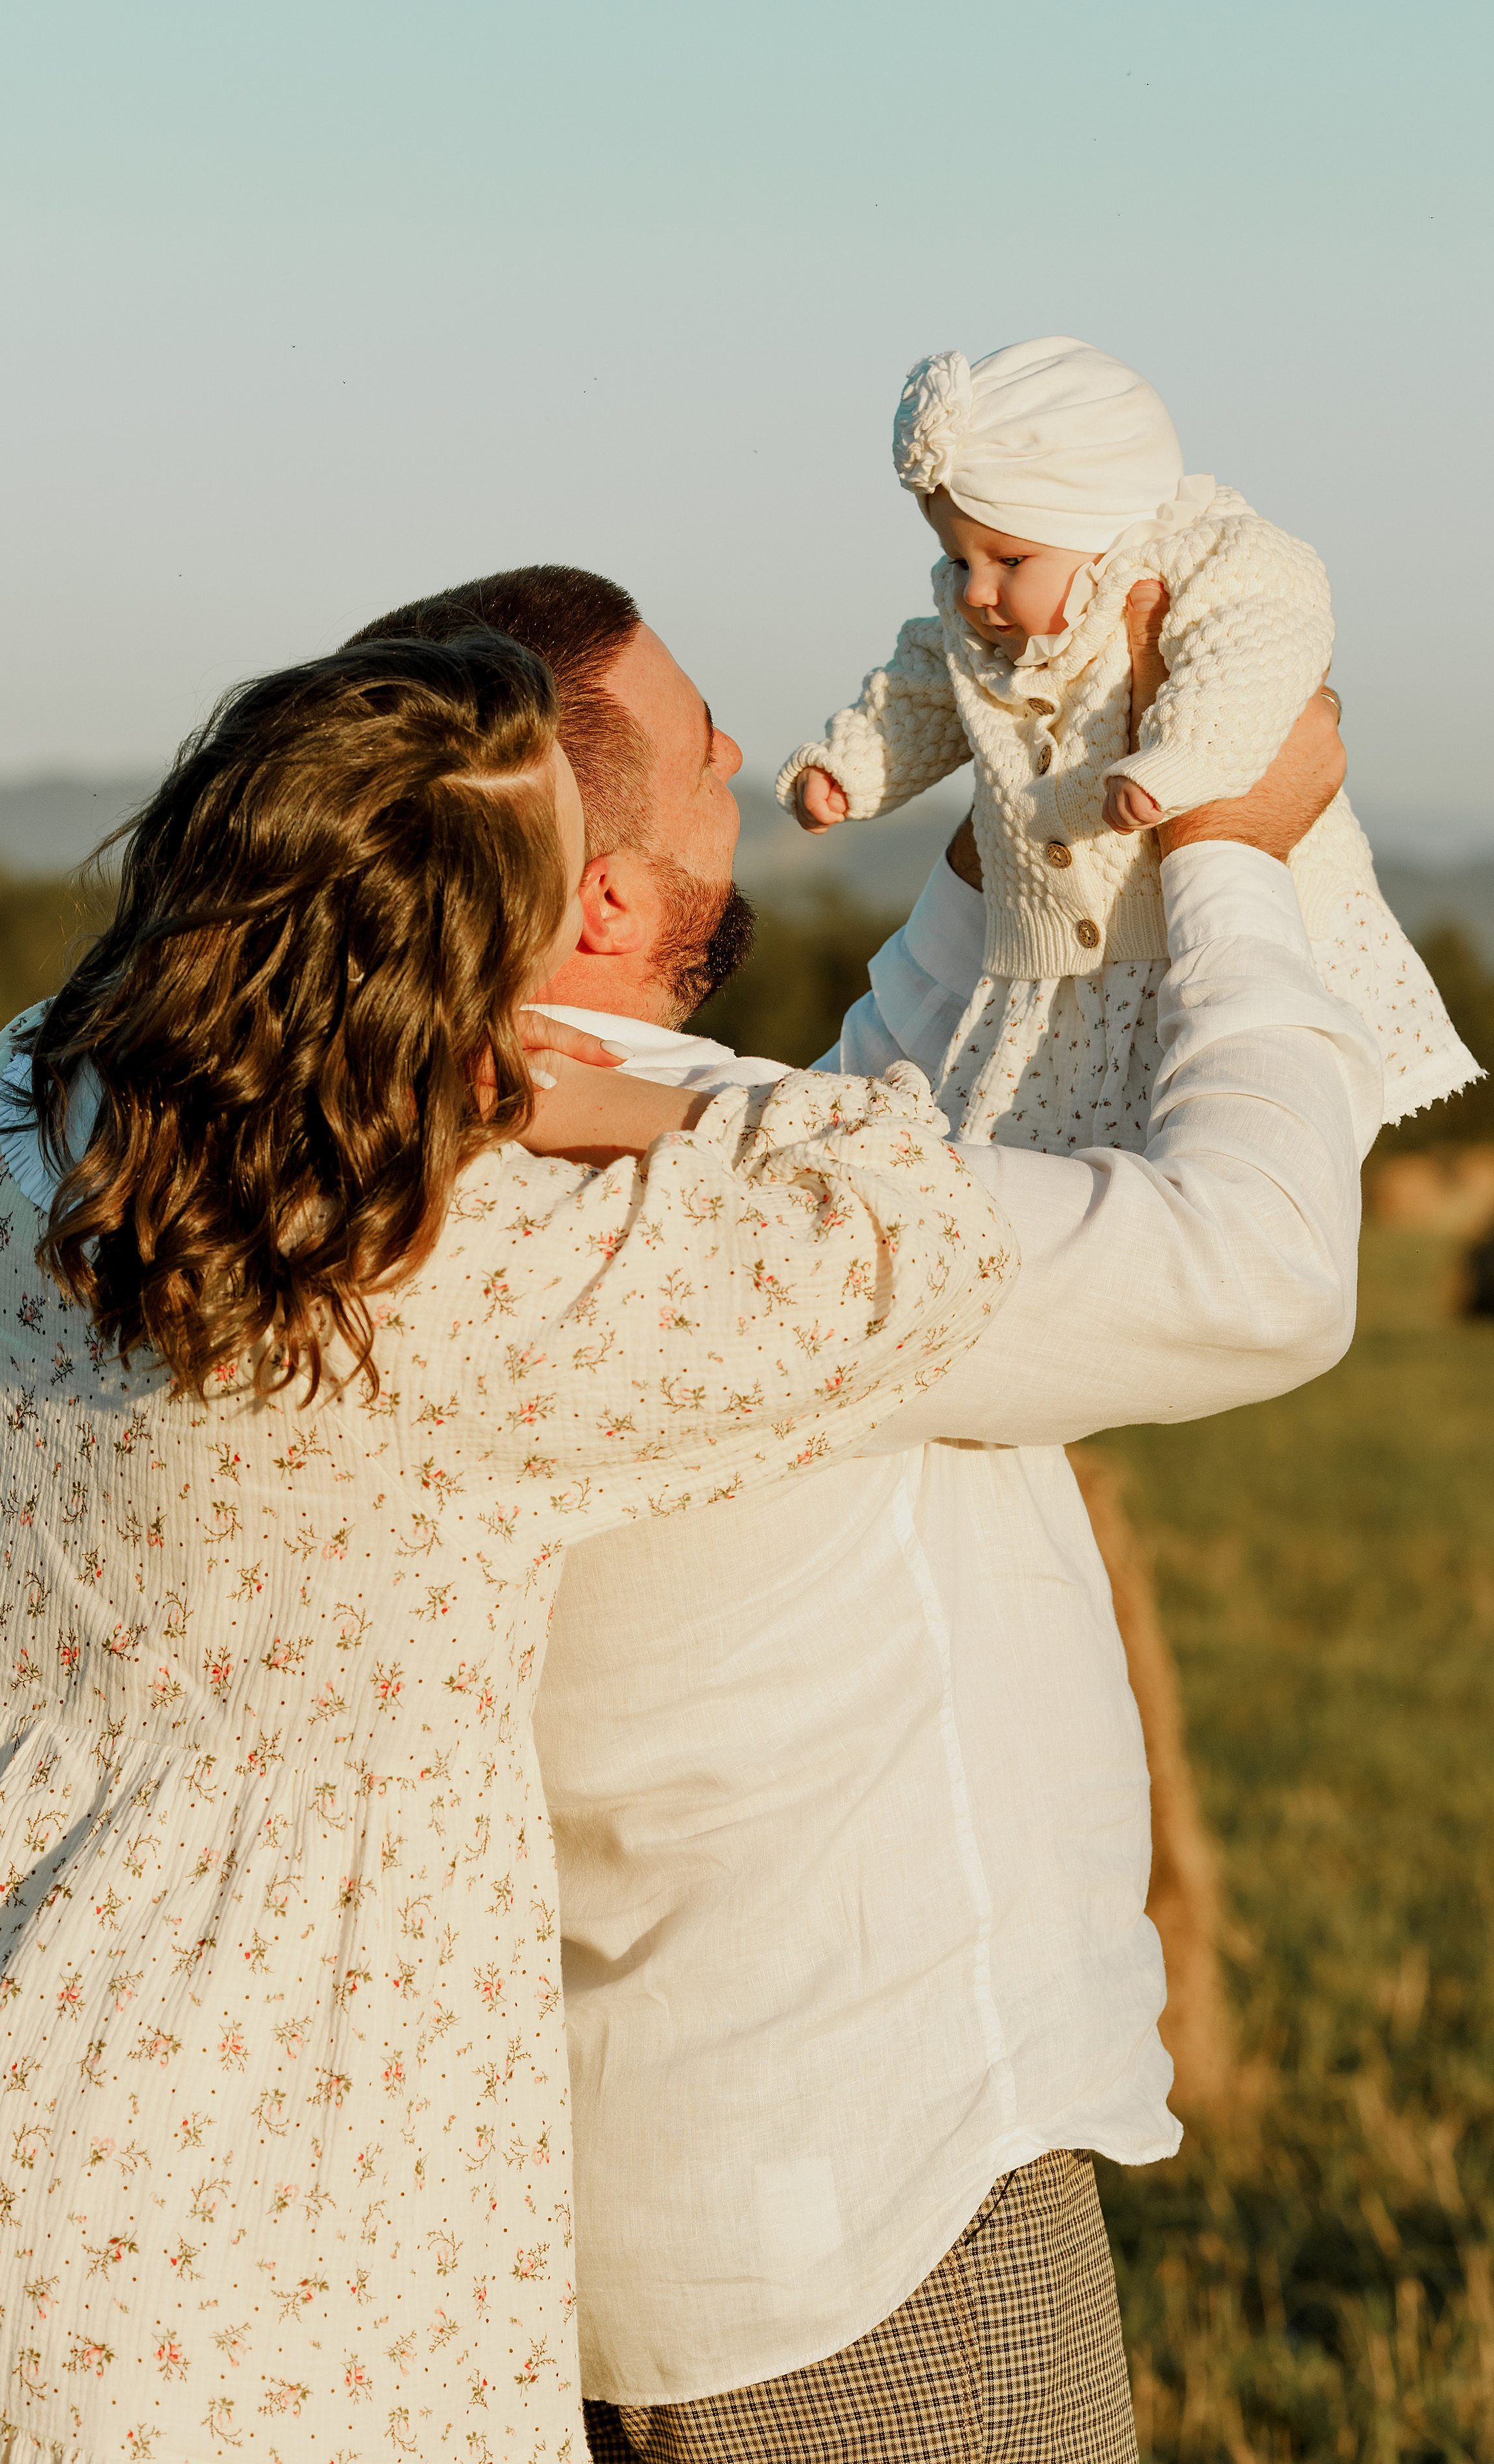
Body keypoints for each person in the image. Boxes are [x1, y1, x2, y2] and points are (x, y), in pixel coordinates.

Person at [0, 632, 1020, 2462]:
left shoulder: (24, 1112)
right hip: (280, 2201)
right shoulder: (460, 1281)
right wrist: (648, 1097)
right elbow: (909, 1235)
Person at [355, 565, 1377, 2461]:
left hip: (608, 2216)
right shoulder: (730, 1230)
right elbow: (1265, 1267)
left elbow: (837, 1145)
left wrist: (1008, 837)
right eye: (688, 745)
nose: (741, 749)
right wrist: (1236, 855)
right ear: (596, 892)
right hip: (882, 2228)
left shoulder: (455, 1161)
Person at [780, 335, 1478, 1145]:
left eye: (1008, 557)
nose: (975, 590)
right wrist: (851, 766)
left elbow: (1253, 649)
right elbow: (916, 692)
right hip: (1056, 974)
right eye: (955, 556)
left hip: (1217, 935)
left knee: (1234, 1132)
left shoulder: (1206, 561)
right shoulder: (972, 624)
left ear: (1098, 522)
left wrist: (1180, 758)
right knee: (1070, 1168)